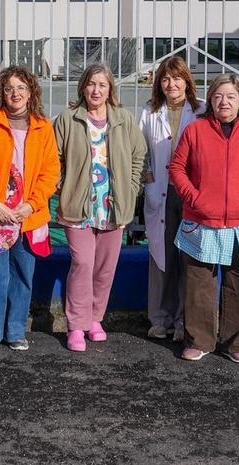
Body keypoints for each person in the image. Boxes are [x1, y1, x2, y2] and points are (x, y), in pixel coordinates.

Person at [169, 73, 239, 364]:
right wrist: (194, 197)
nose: (224, 102)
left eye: (231, 96)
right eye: (217, 96)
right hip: (202, 220)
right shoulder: (196, 130)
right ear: (210, 100)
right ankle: (198, 339)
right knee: (198, 283)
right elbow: (177, 168)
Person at [53, 64, 146, 352]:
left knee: (105, 268)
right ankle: (76, 325)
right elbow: (53, 158)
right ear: (83, 87)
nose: (96, 90)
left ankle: (95, 319)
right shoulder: (68, 119)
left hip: (113, 207)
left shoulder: (123, 120)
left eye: (102, 85)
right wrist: (62, 187)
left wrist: (130, 190)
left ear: (110, 90)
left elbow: (137, 156)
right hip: (78, 206)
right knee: (82, 265)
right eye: (91, 84)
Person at [0, 66, 58, 351]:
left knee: (21, 275)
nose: (15, 93)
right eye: (9, 88)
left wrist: (31, 205)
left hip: (28, 216)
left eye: (21, 88)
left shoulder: (43, 127)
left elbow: (51, 171)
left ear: (31, 92)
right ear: (1, 93)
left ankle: (15, 330)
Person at [137, 55, 200, 342]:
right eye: (165, 78)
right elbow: (139, 150)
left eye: (176, 78)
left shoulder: (200, 111)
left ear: (187, 81)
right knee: (161, 257)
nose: (170, 83)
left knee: (188, 257)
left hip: (189, 194)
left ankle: (183, 320)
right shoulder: (150, 111)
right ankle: (159, 319)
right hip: (160, 192)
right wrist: (146, 176)